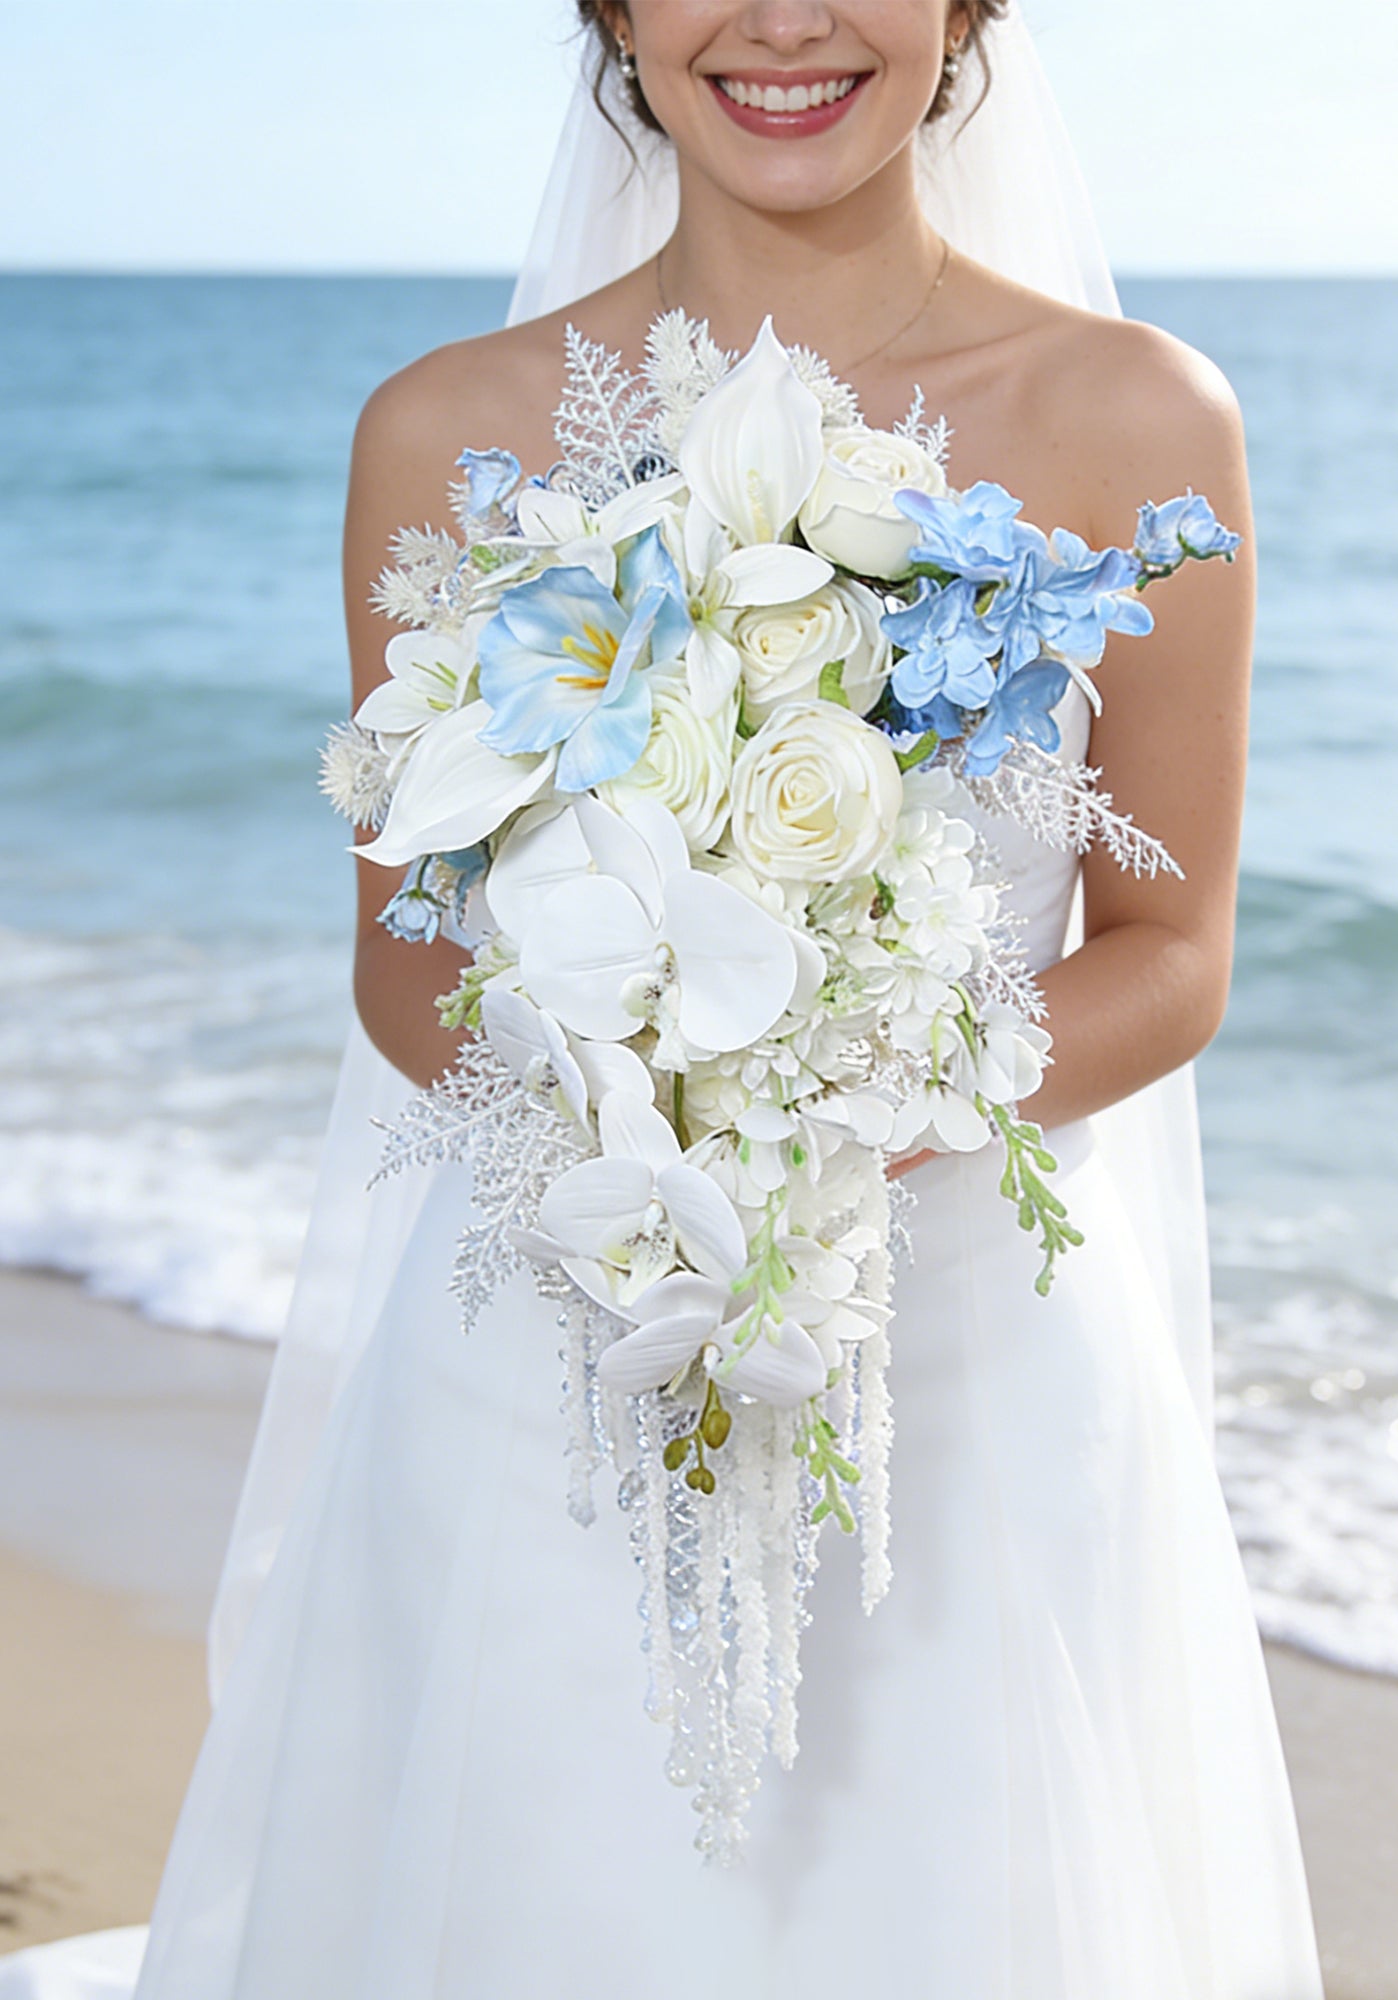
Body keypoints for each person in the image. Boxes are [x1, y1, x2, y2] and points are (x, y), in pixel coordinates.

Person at [0, 3, 1326, 1995]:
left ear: (968, 7)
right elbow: (406, 958)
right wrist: (651, 1120)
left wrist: (844, 1101)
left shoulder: (1138, 420)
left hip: (975, 1359)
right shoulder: (441, 434)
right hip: (555, 1342)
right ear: (611, 7)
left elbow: (1171, 950)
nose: (783, 22)